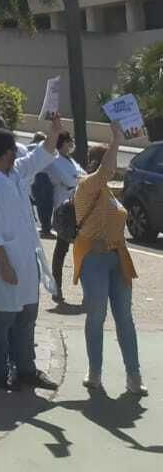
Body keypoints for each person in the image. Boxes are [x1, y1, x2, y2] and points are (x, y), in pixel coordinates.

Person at [0, 118, 61, 391]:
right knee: (2, 321)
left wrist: (54, 131)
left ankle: (26, 370)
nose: (18, 155)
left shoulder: (14, 172)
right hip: (4, 262)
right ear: (8, 152)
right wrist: (5, 266)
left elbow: (38, 158)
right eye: (15, 151)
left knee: (26, 317)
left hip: (26, 257)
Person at [71, 140, 146, 396]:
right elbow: (106, 171)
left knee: (125, 318)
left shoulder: (107, 191)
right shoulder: (86, 184)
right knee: (97, 316)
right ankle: (94, 372)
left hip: (117, 257)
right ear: (100, 163)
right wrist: (116, 139)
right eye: (110, 163)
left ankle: (134, 376)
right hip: (94, 259)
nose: (114, 171)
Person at [45, 133, 81, 303]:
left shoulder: (70, 160)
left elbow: (83, 176)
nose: (71, 144)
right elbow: (70, 180)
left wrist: (78, 180)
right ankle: (56, 287)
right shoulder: (55, 160)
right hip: (63, 209)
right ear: (62, 143)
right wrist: (78, 180)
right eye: (69, 142)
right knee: (61, 249)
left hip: (78, 206)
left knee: (82, 249)